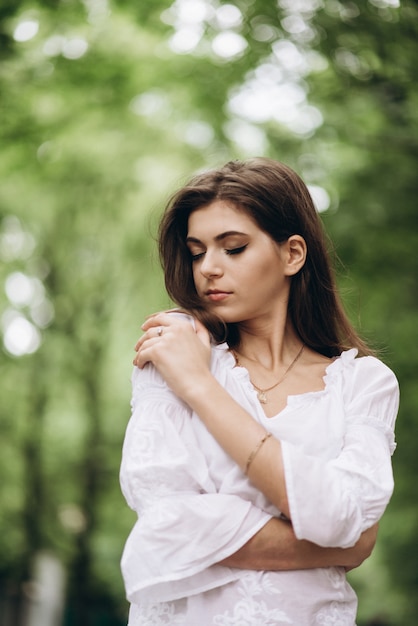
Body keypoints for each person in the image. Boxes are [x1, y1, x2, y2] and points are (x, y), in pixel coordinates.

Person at [120, 158, 399, 625]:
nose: (208, 268)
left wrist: (200, 389)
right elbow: (167, 529)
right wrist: (326, 538)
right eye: (196, 251)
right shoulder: (173, 353)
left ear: (292, 254)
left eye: (233, 248)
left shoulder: (364, 383)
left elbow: (345, 517)